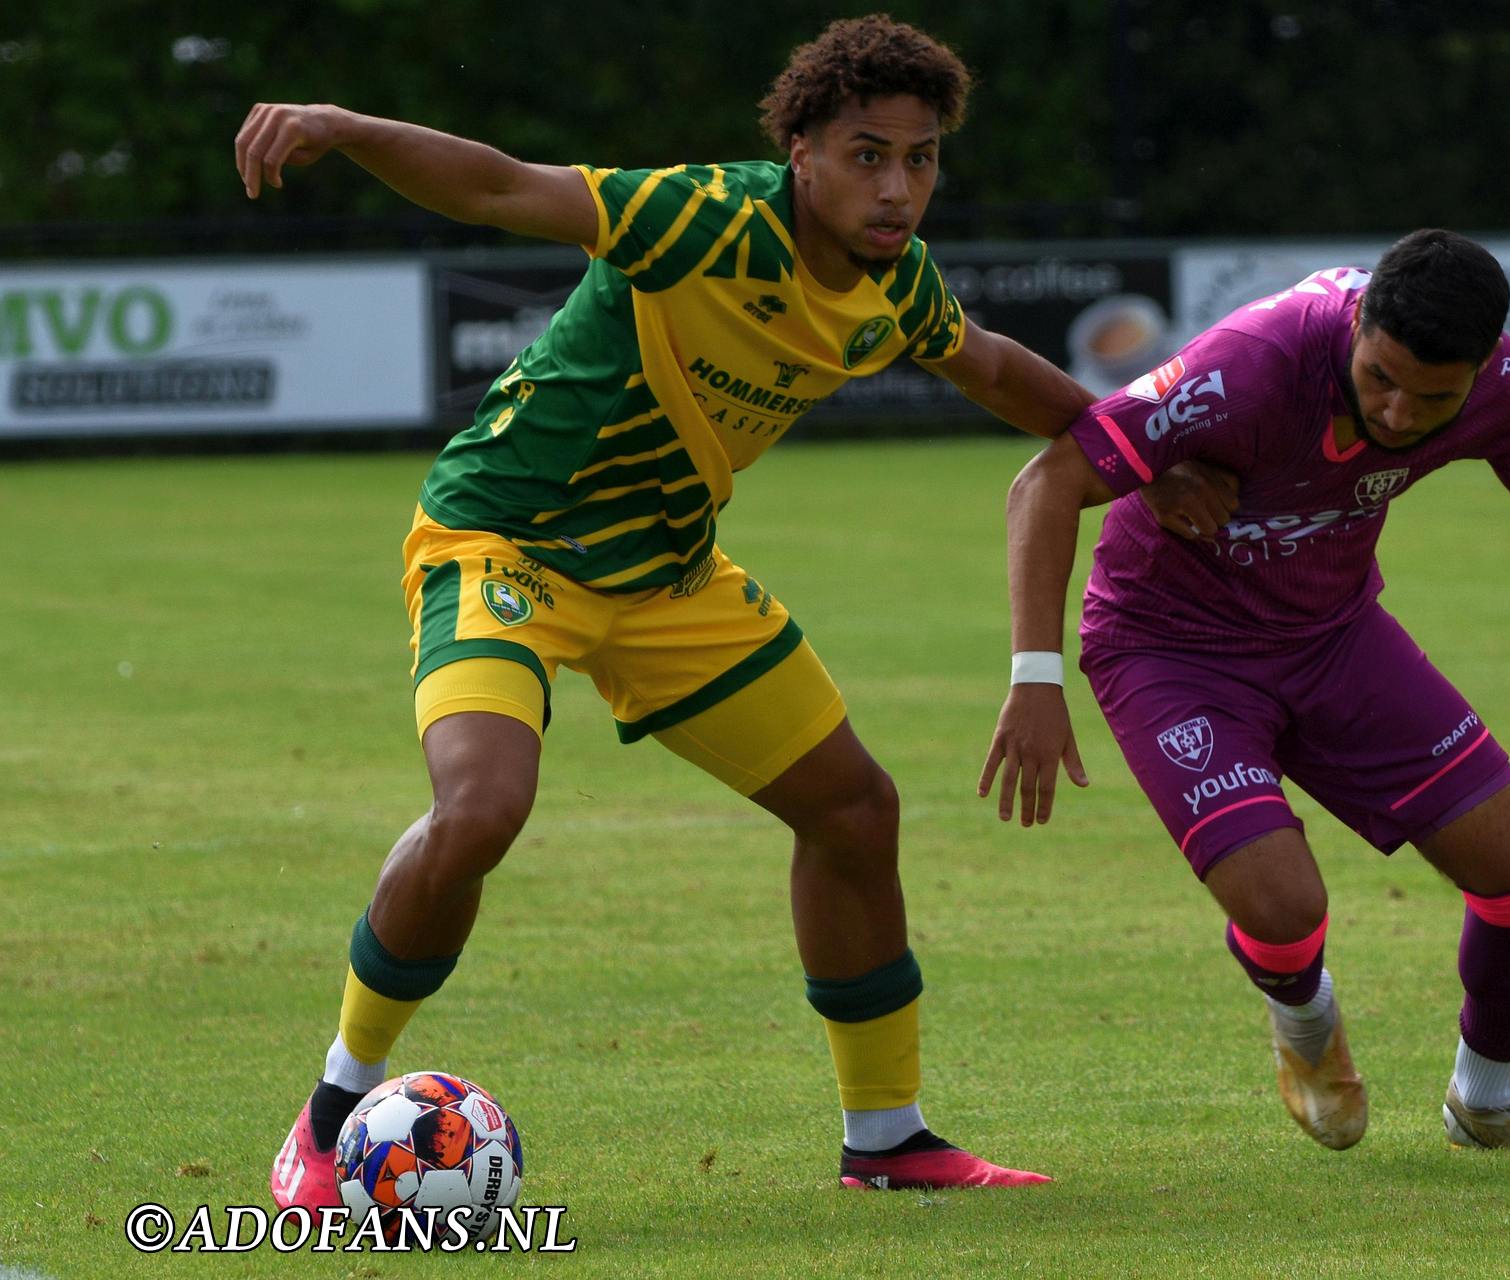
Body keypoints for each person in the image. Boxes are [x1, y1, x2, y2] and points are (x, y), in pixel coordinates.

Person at [238, 15, 1223, 1200]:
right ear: (800, 148)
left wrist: (1139, 459)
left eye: (921, 158)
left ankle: (888, 1137)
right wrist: (344, 129)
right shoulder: (706, 216)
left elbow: (997, 368)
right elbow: (503, 187)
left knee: (854, 809)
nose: (898, 185)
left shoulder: (893, 284)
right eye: (868, 153)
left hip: (667, 574)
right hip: (505, 543)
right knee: (483, 805)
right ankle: (332, 1109)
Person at [980, 230, 1510, 1152]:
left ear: (1480, 371)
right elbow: (1046, 482)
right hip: (1170, 648)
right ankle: (1309, 1028)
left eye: (1432, 397)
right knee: (1285, 911)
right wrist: (1035, 680)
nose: (1400, 414)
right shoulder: (1252, 363)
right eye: (1380, 380)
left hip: (1333, 635)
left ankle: (1488, 1098)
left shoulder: (1504, 391)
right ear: (1358, 325)